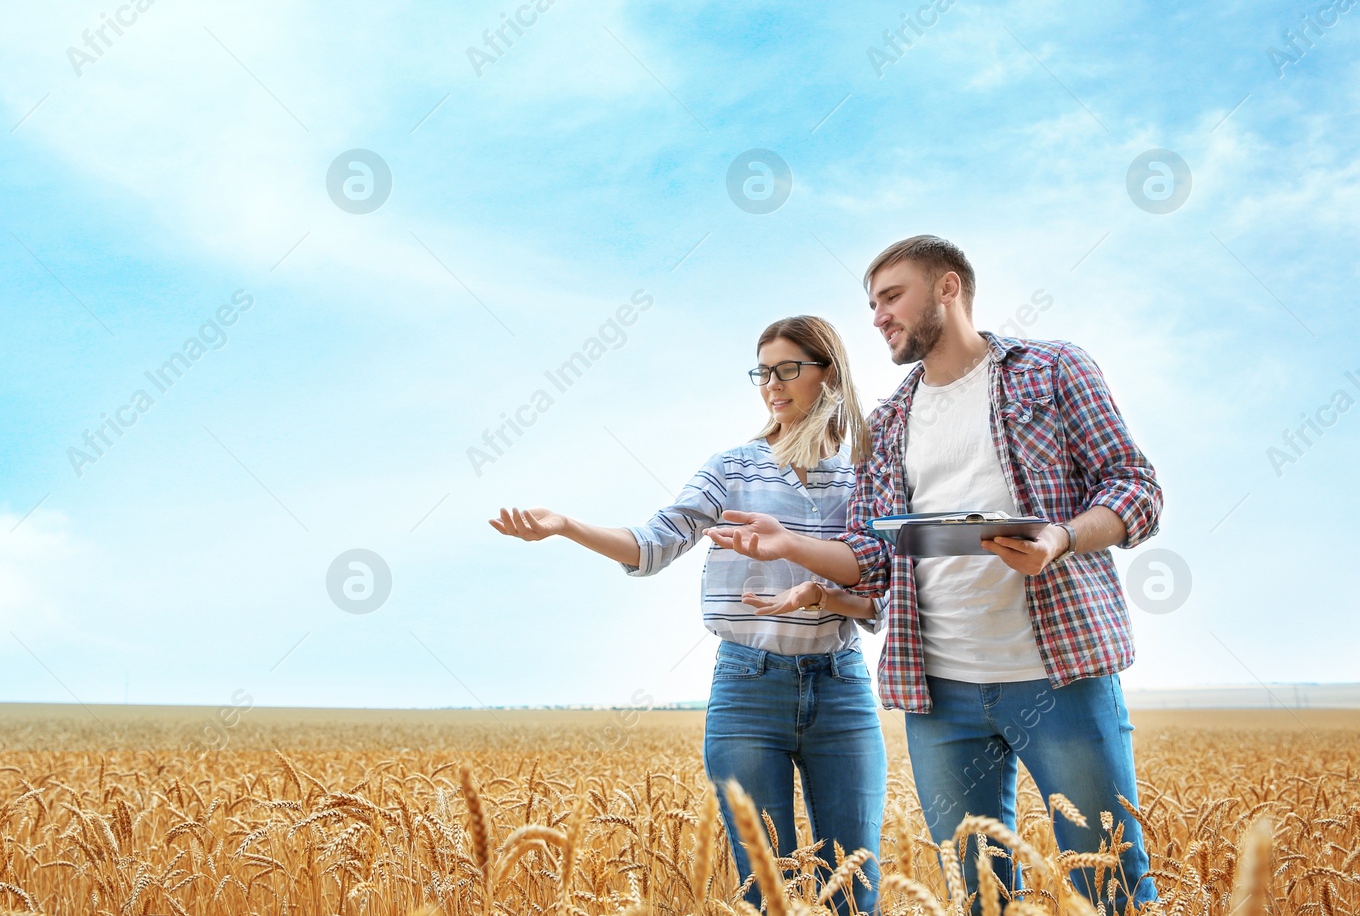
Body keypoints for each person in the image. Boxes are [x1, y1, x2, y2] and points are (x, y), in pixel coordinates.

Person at [710, 235, 1163, 914]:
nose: (878, 316)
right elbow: (872, 552)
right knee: (982, 897)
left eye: (891, 296)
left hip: (1061, 673)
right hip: (940, 695)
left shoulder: (1052, 369)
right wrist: (795, 547)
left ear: (948, 288)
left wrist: (1062, 536)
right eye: (870, 304)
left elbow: (1136, 486)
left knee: (1112, 886)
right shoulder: (889, 422)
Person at [489, 316, 887, 914]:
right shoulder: (731, 468)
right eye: (762, 372)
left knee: (855, 891)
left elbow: (882, 594)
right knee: (767, 891)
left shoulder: (867, 473)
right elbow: (652, 545)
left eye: (788, 370)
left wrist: (820, 596)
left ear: (828, 374)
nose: (772, 386)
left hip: (843, 688)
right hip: (748, 691)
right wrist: (568, 526)